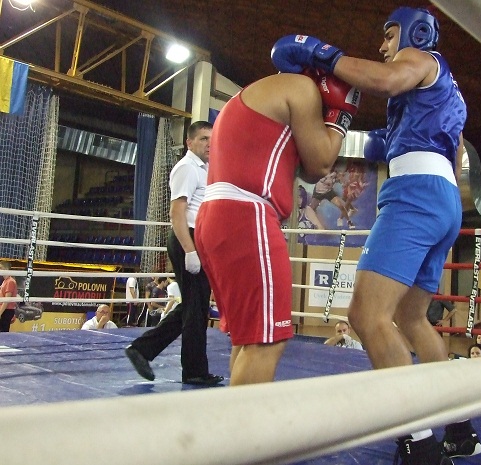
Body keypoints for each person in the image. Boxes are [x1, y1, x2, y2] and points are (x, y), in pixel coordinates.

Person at [271, 7, 477, 464]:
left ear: (414, 33)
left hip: (415, 195)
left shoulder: (421, 59)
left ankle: (419, 444)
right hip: (443, 198)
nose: (383, 46)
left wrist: (324, 55)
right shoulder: (443, 91)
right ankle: (460, 428)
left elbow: (384, 80)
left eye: (389, 35)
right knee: (412, 317)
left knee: (366, 316)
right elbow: (454, 150)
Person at [193, 70, 360, 386]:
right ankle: (247, 420)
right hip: (246, 215)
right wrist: (341, 117)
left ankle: (235, 415)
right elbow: (322, 164)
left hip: (219, 214)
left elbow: (308, 171)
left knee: (249, 338)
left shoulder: (257, 94)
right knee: (267, 341)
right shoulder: (301, 87)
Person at [124, 121, 223, 386]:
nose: (209, 144)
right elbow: (177, 213)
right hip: (187, 239)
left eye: (212, 139)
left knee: (194, 306)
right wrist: (190, 250)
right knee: (195, 309)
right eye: (203, 139)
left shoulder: (205, 169)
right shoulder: (187, 168)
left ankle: (143, 349)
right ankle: (193, 371)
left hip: (198, 239)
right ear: (189, 142)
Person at [0, 261, 17, 332]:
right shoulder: (5, 281)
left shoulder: (10, 282)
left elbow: (6, 301)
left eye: (1, 268)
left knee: (3, 332)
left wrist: (0, 313)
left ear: (6, 269)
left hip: (6, 310)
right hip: (4, 310)